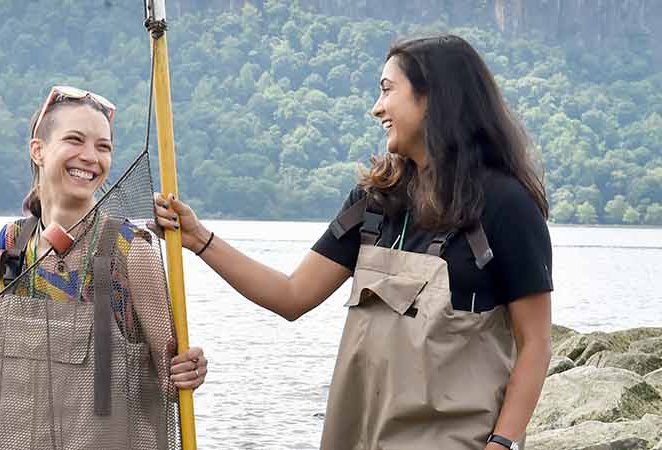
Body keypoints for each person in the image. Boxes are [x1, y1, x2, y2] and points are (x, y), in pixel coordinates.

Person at [154, 35, 552, 450]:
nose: (376, 107)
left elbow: (536, 343)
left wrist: (501, 444)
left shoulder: (507, 205)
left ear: (434, 97)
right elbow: (292, 295)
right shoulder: (375, 200)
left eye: (386, 89)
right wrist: (199, 238)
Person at [0, 85, 206, 450]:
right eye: (75, 140)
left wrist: (187, 371)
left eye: (103, 147)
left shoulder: (130, 251)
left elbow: (170, 382)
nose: (90, 157)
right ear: (38, 149)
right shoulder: (9, 246)